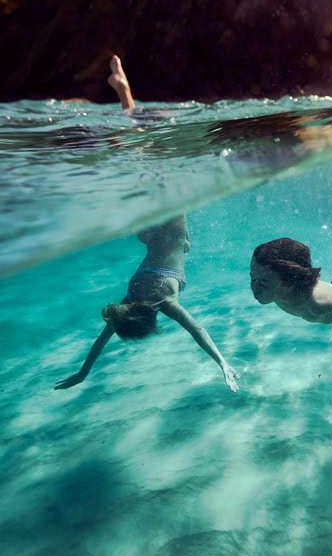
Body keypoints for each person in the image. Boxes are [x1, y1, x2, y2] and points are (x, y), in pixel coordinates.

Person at [54, 56, 239, 392]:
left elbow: (199, 331)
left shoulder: (164, 303)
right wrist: (84, 372)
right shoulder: (128, 300)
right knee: (140, 164)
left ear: (148, 320)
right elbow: (101, 341)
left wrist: (223, 363)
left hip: (170, 225)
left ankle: (124, 101)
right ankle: (123, 99)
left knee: (150, 158)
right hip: (152, 233)